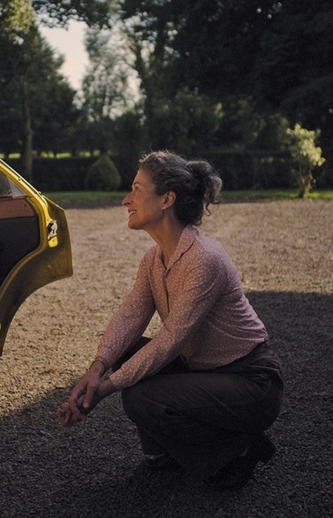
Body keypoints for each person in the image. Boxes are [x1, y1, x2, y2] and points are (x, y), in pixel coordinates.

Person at [58, 151, 284, 490]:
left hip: (251, 383)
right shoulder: (154, 258)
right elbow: (131, 315)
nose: (126, 200)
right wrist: (95, 370)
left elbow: (169, 340)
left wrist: (102, 392)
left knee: (139, 397)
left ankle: (238, 451)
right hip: (205, 372)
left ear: (167, 199)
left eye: (136, 189)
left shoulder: (203, 260)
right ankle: (165, 453)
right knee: (127, 350)